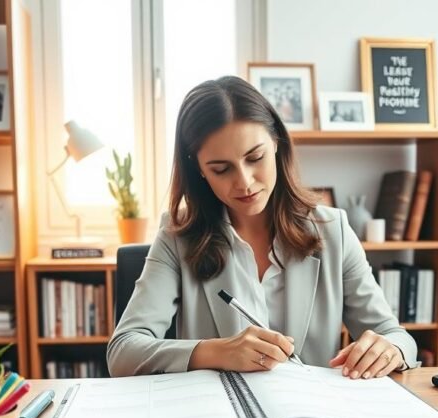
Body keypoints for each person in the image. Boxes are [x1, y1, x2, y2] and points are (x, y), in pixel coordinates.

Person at [107, 76, 418, 378]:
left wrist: (390, 349)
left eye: (255, 157)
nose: (244, 182)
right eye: (221, 169)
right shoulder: (178, 236)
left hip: (312, 417)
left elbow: (396, 336)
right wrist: (216, 352)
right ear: (199, 170)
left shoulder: (332, 230)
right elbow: (123, 352)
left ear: (276, 144)